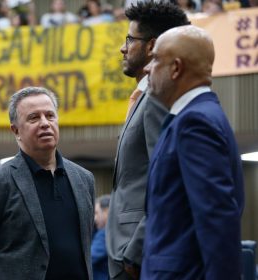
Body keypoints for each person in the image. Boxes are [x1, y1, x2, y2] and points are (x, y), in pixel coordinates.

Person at [0, 86, 95, 280]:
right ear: (16, 130)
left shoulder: (84, 179)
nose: (45, 123)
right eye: (34, 118)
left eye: (50, 116)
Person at [141, 25, 244, 280]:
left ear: (176, 68)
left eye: (155, 59)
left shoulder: (195, 123)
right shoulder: (191, 118)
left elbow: (217, 219)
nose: (147, 68)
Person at [105, 2, 190, 280]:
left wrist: (135, 252)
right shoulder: (144, 97)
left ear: (152, 46)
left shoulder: (157, 98)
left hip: (139, 257)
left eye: (130, 39)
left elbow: (167, 182)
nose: (122, 47)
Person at [92, 195, 110, 280]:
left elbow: (89, 258)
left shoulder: (104, 233)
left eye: (96, 213)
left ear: (106, 212)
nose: (94, 218)